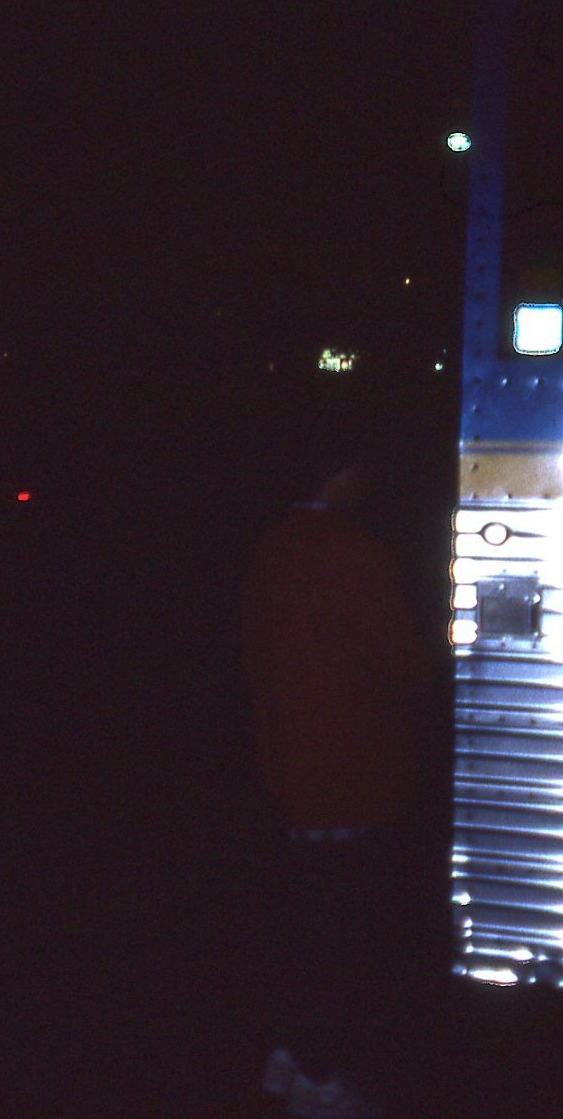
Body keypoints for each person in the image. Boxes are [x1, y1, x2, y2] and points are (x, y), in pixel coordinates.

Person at [241, 452, 432, 1119]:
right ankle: (320, 1078)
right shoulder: (352, 552)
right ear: (337, 475)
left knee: (304, 922)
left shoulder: (272, 546)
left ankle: (289, 1059)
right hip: (350, 768)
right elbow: (401, 658)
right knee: (343, 935)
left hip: (291, 767)